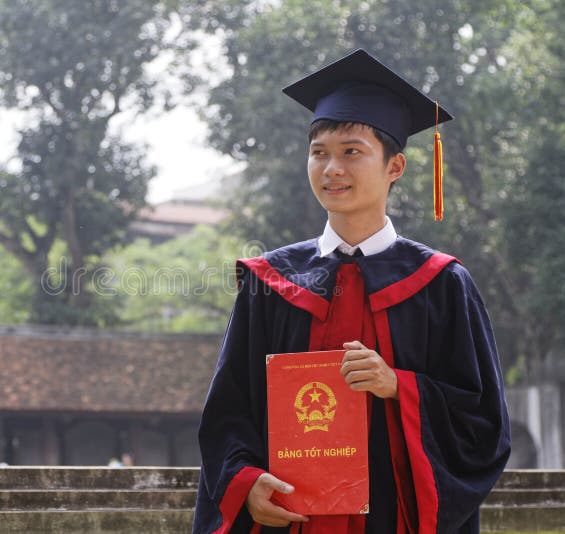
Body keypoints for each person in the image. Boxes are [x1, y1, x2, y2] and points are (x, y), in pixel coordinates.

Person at [193, 49, 511, 533]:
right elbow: (229, 410)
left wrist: (397, 385)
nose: (331, 168)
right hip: (289, 522)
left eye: (351, 152)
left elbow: (483, 424)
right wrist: (245, 480)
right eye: (318, 152)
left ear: (395, 166)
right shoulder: (271, 282)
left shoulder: (442, 284)